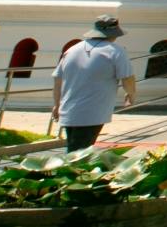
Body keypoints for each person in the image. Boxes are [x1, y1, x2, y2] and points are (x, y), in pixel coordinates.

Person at [50, 15, 136, 151]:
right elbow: (127, 78)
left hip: (69, 110)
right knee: (80, 153)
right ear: (114, 34)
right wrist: (131, 94)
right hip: (93, 112)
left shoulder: (72, 49)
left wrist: (56, 104)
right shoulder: (116, 51)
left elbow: (58, 79)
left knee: (74, 148)